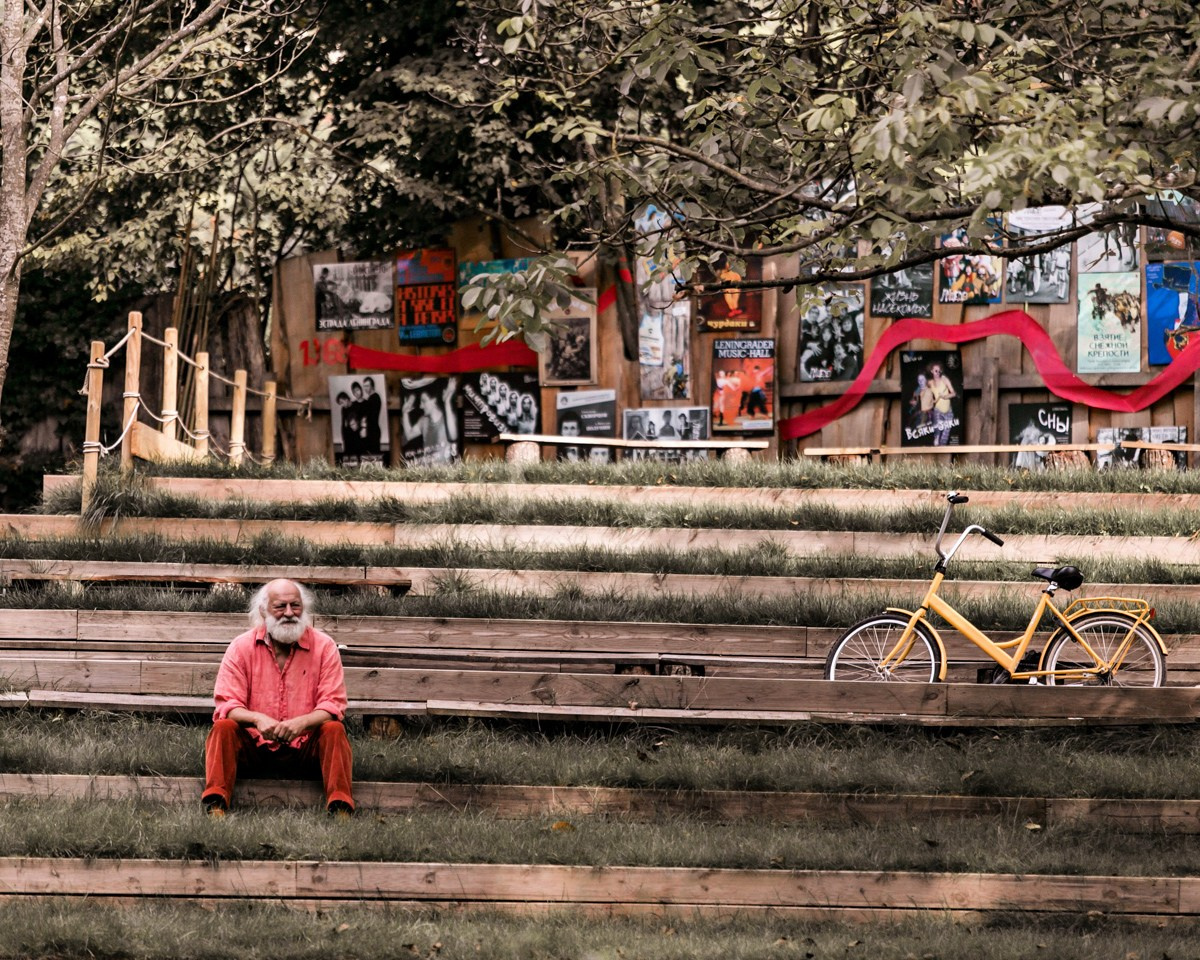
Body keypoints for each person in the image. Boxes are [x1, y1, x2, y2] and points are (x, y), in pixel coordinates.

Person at [201, 579, 354, 817]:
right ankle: (216, 805)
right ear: (264, 611)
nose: (289, 613)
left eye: (295, 605)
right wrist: (257, 719)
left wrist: (302, 723)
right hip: (254, 747)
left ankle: (341, 808)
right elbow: (227, 704)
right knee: (223, 728)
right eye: (280, 606)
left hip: (306, 747)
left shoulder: (324, 646)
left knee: (334, 729)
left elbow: (333, 704)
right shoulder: (241, 647)